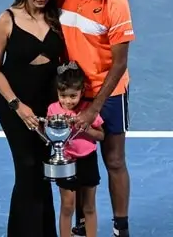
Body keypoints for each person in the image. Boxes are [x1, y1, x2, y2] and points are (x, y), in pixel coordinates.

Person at [0, 0, 135, 237]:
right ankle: (79, 224)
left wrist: (92, 108)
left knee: (114, 160)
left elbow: (119, 64)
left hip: (107, 89)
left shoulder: (116, 1)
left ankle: (121, 228)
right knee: (65, 158)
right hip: (67, 92)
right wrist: (1, 26)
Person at [0, 0, 65, 237]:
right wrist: (17, 105)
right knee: (27, 168)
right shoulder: (7, 19)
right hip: (15, 105)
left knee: (43, 171)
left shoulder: (56, 17)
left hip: (47, 106)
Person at [48, 61, 105, 237]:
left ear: (82, 91)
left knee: (89, 206)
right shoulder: (53, 110)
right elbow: (49, 134)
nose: (67, 101)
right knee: (67, 205)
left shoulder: (88, 110)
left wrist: (86, 127)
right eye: (63, 96)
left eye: (73, 96)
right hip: (65, 161)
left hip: (88, 159)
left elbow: (101, 136)